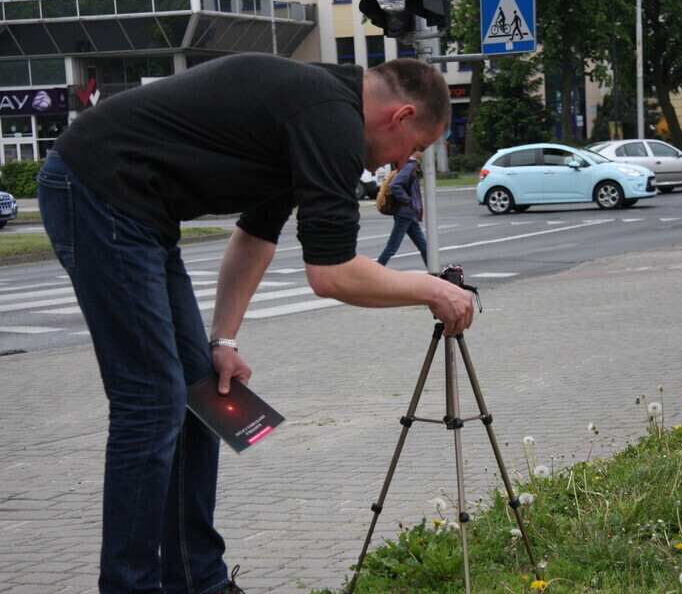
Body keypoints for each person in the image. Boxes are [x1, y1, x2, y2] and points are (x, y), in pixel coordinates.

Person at [36, 53, 474, 594]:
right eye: (416, 149)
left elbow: (255, 238)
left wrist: (223, 340)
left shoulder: (317, 111)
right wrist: (432, 288)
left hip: (138, 213)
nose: (403, 163)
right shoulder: (329, 118)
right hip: (98, 190)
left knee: (199, 392)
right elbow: (331, 275)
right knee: (149, 403)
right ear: (401, 116)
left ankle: (199, 580)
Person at [377, 152, 427, 266]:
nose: (424, 153)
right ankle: (375, 271)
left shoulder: (410, 165)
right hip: (406, 213)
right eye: (422, 150)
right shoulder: (410, 166)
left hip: (410, 213)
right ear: (415, 152)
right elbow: (395, 185)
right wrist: (408, 200)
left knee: (424, 246)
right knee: (392, 247)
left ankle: (434, 273)